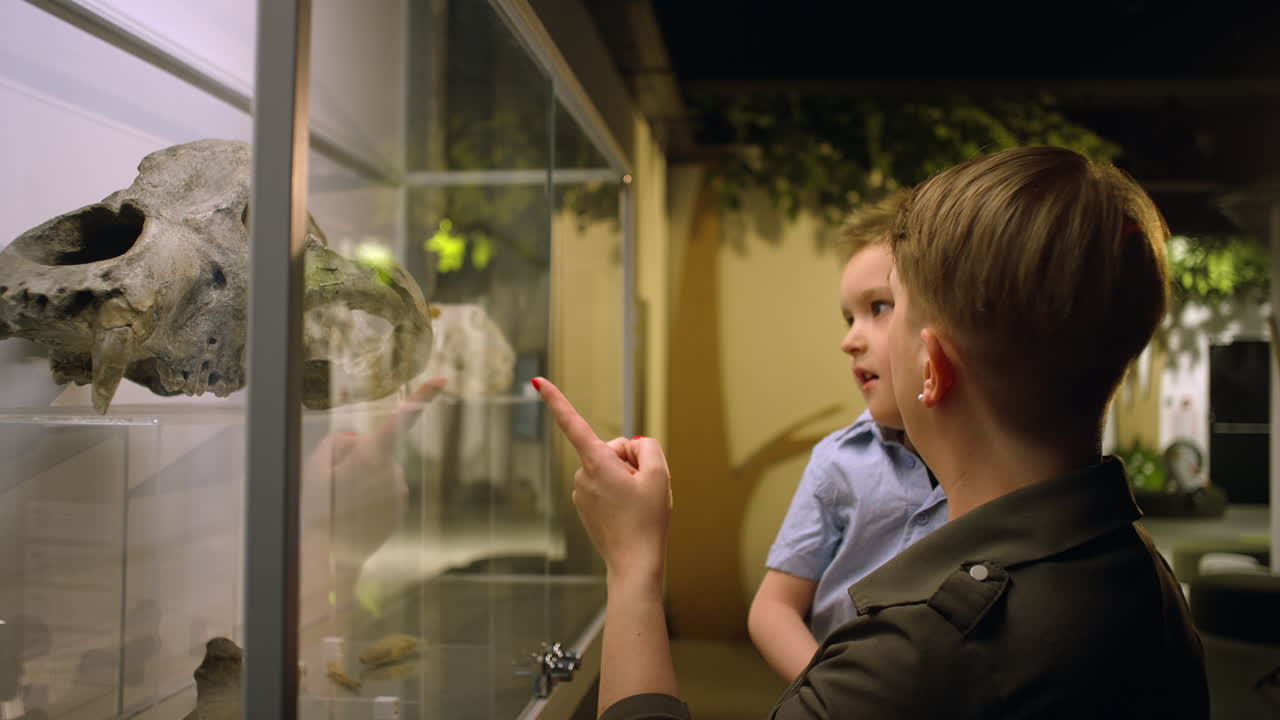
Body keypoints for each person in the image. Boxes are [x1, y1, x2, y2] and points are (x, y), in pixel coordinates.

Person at [531, 145, 1209, 719]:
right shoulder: (1148, 579)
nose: (856, 341)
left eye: (892, 311)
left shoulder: (920, 650)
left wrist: (633, 567)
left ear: (933, 367)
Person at [748, 191, 947, 682]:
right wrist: (832, 697)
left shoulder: (994, 459)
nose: (849, 339)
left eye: (878, 307)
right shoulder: (838, 461)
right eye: (848, 317)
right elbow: (772, 609)